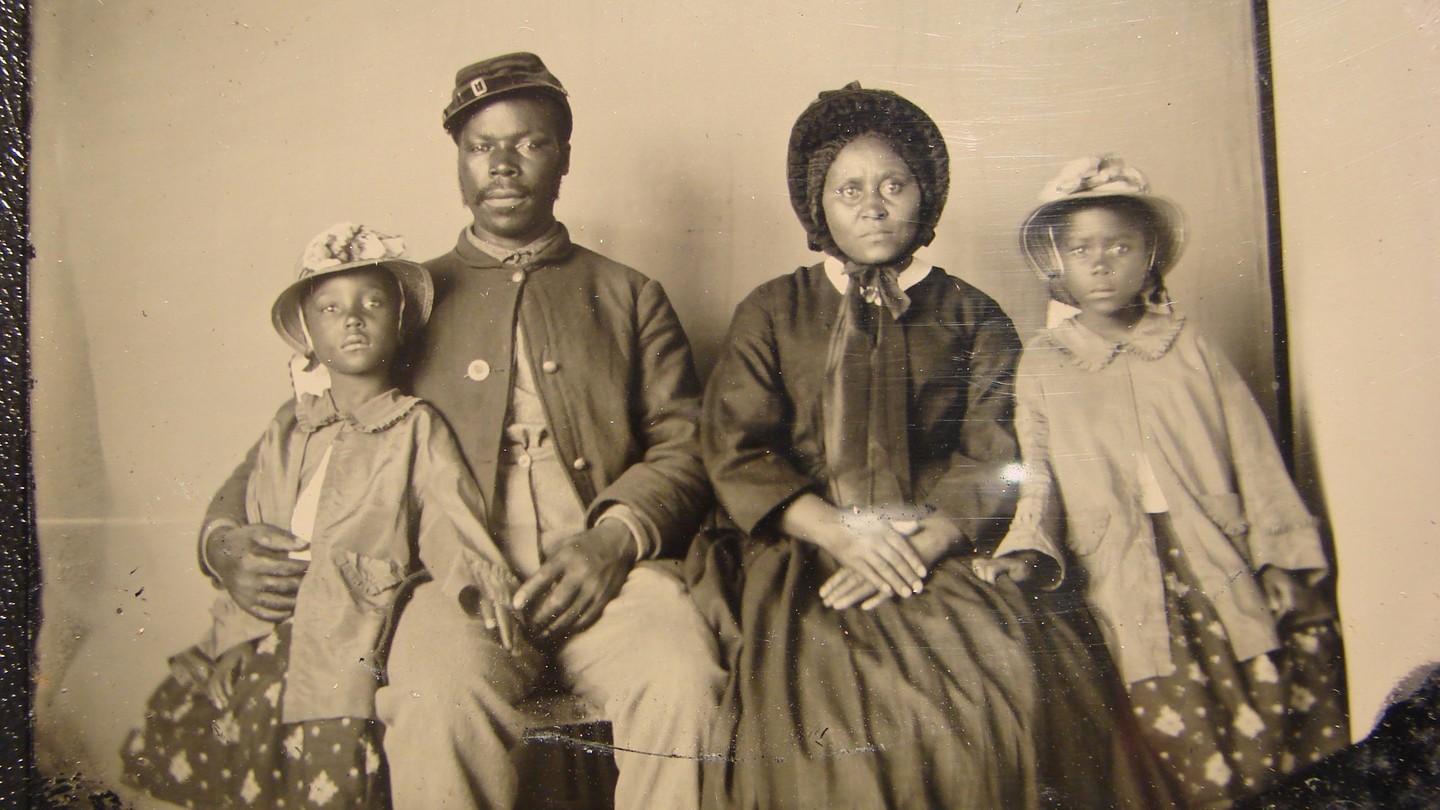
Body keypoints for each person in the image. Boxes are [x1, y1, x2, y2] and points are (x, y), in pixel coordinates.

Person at [196, 54, 724, 809]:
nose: (503, 166)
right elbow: (307, 432)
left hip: (609, 581)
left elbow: (686, 444)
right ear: (458, 160)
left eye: (530, 143)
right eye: (481, 147)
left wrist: (609, 545)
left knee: (683, 682)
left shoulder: (628, 295)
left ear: (565, 156)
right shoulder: (406, 298)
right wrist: (222, 541)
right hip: (450, 585)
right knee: (434, 696)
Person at [689, 84, 1177, 809]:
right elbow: (736, 449)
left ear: (928, 194)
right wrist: (838, 532)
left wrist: (920, 544)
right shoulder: (773, 310)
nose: (873, 205)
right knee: (820, 708)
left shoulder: (972, 315)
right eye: (848, 190)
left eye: (894, 184)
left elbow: (994, 452)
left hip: (937, 546)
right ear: (816, 207)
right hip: (804, 548)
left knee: (1001, 679)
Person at [976, 155, 1349, 806]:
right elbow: (1037, 475)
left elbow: (1253, 458)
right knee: (1164, 719)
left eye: (1119, 246)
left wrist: (1281, 557)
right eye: (1081, 248)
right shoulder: (1044, 363)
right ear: (1056, 261)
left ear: (1149, 256)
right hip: (1121, 569)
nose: (1100, 263)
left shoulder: (1186, 346)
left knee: (1259, 692)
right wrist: (1027, 549)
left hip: (1211, 556)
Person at [122, 223, 525, 809]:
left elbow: (447, 519)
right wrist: (236, 636)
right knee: (217, 721)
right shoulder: (291, 425)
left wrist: (477, 585)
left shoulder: (415, 426)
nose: (354, 318)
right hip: (275, 630)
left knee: (327, 753)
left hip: (349, 630)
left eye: (373, 304)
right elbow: (255, 528)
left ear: (401, 320)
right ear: (308, 334)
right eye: (332, 309)